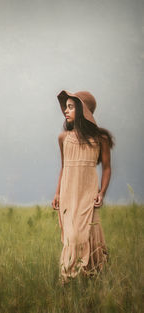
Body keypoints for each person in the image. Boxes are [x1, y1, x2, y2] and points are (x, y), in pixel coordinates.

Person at [52, 89, 115, 285]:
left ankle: (92, 279)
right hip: (69, 195)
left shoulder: (100, 139)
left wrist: (102, 193)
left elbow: (106, 169)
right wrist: (57, 194)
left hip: (88, 194)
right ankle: (67, 282)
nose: (66, 111)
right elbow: (64, 167)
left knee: (88, 234)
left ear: (82, 111)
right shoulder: (63, 138)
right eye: (66, 107)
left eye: (71, 107)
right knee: (72, 236)